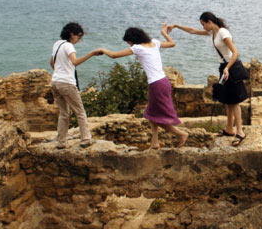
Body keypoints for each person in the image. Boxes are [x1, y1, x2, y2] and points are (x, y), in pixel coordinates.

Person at [100, 23, 188, 149]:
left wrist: (102, 50)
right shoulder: (154, 42)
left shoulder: (138, 48)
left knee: (154, 116)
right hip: (164, 81)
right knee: (151, 113)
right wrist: (164, 33)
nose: (129, 45)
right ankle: (155, 142)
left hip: (156, 84)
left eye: (129, 42)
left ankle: (181, 134)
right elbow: (172, 43)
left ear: (132, 40)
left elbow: (114, 55)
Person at [169, 12, 248, 146]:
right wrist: (177, 26)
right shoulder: (213, 33)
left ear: (210, 22)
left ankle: (240, 131)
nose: (203, 27)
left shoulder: (223, 32)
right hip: (224, 67)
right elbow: (192, 31)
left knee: (234, 102)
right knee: (227, 100)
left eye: (203, 24)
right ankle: (229, 129)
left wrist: (227, 68)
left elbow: (235, 52)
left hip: (231, 68)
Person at [49, 22, 102, 149]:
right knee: (80, 112)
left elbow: (52, 62)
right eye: (78, 37)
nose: (79, 40)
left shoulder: (57, 44)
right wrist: (92, 54)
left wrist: (59, 72)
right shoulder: (69, 46)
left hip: (55, 82)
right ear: (72, 34)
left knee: (63, 114)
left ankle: (61, 142)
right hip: (67, 83)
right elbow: (75, 62)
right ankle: (85, 139)